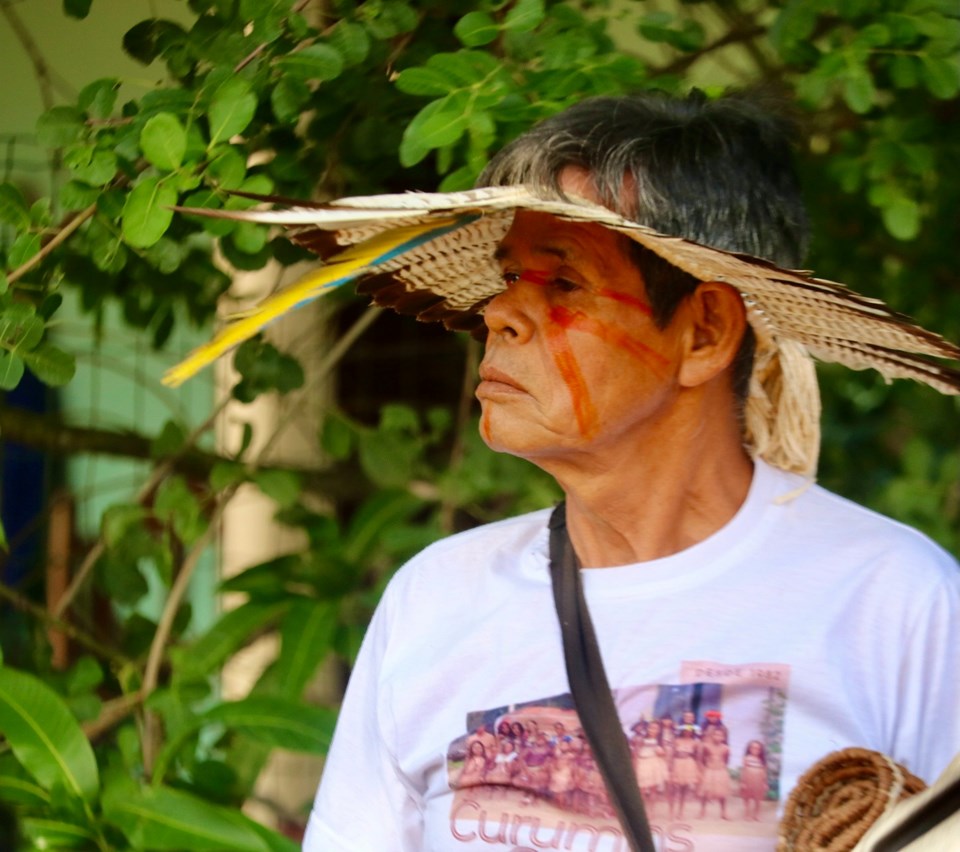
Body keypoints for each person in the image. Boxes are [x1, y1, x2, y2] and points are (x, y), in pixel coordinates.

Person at [302, 90, 960, 851]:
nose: (498, 314)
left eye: (563, 283)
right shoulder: (435, 599)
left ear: (704, 331)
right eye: (509, 277)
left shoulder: (895, 603)